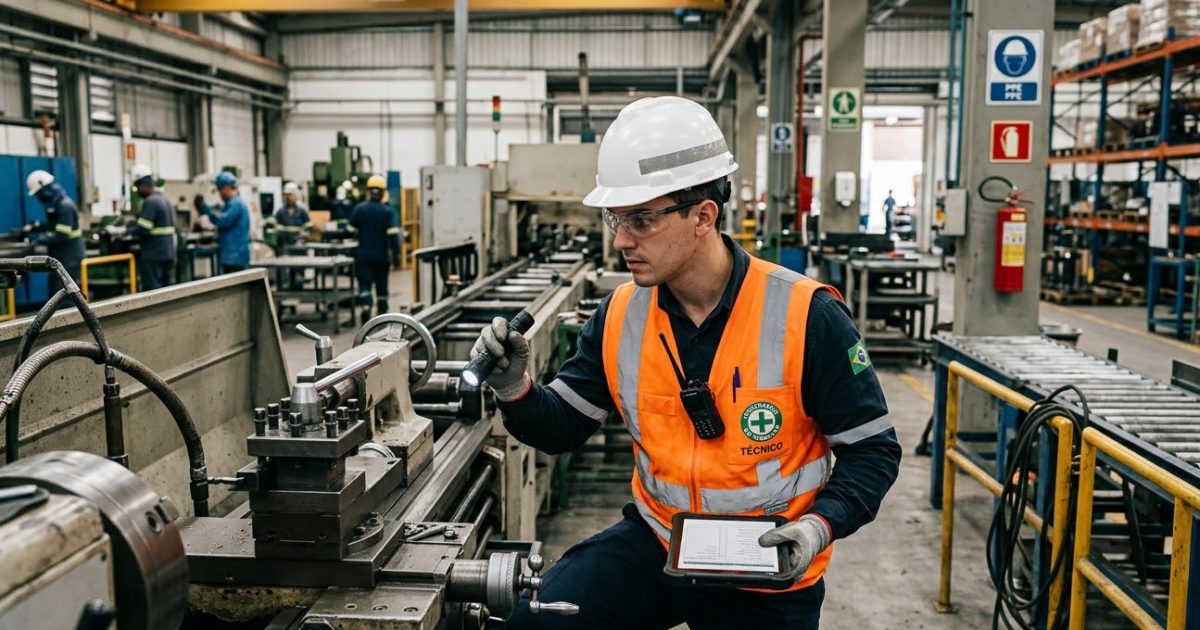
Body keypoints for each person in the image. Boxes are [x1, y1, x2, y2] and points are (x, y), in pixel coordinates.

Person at [470, 96, 901, 629]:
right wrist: (515, 385)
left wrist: (816, 528)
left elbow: (872, 453)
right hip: (660, 541)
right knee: (538, 621)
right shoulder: (622, 314)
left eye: (642, 219)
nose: (621, 240)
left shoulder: (808, 315)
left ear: (703, 215)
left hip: (767, 561)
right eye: (616, 218)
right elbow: (564, 427)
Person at [348, 174, 400, 324]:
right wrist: (396, 256)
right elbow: (393, 236)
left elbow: (349, 229)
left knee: (365, 285)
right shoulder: (387, 211)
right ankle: (381, 314)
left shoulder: (359, 209)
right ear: (383, 192)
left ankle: (365, 309)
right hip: (381, 257)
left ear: (369, 191)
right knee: (381, 286)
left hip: (363, 255)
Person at [25, 170, 85, 297]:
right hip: (61, 258)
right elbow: (54, 227)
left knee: (65, 297)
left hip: (69, 258)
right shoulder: (57, 205)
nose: (39, 197)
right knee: (56, 295)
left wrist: (39, 239)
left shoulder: (65, 206)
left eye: (38, 193)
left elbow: (61, 234)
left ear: (44, 190)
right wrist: (36, 227)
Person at [126, 164, 177, 291]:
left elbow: (143, 228)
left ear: (143, 185)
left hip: (154, 255)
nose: (137, 191)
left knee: (152, 291)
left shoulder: (150, 202)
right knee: (167, 291)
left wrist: (125, 231)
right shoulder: (164, 199)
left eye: (137, 187)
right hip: (168, 253)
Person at [197, 171, 250, 274]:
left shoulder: (235, 204)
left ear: (227, 187)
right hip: (233, 255)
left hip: (234, 256)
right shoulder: (232, 203)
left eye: (220, 189)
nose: (220, 193)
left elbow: (223, 222)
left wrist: (208, 211)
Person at [265, 182, 312, 255]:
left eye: (290, 195)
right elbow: (272, 224)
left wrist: (302, 240)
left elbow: (308, 228)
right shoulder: (280, 211)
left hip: (299, 246)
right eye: (285, 195)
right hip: (284, 245)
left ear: (296, 195)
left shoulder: (303, 210)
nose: (287, 197)